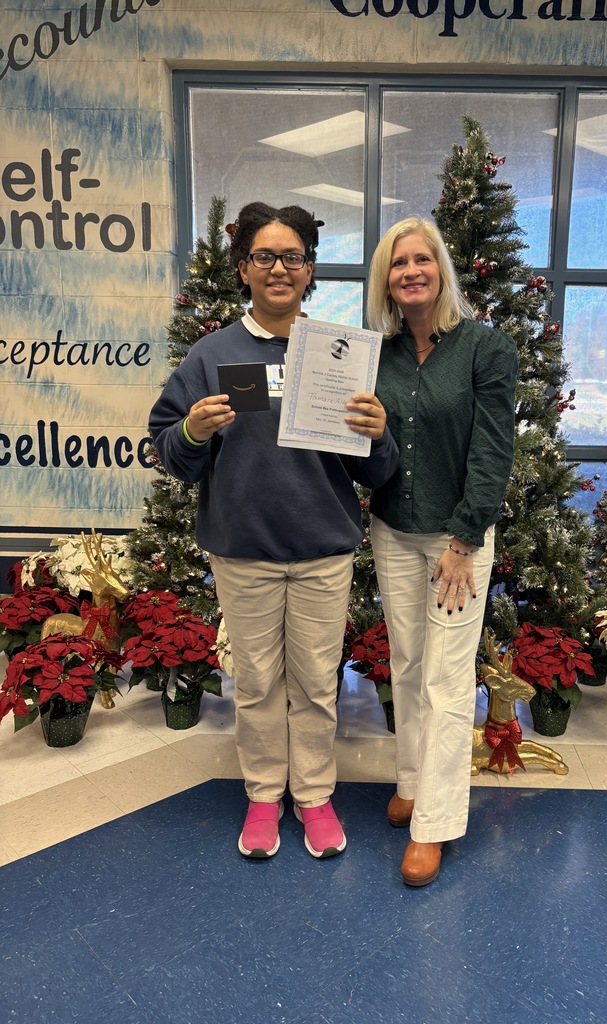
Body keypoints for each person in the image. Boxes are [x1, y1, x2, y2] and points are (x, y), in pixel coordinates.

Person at [150, 202, 398, 860]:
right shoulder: (212, 356)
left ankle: (313, 795)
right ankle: (264, 794)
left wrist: (377, 436)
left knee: (316, 684)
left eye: (293, 257)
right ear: (243, 269)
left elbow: (375, 469)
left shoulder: (339, 354)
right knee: (258, 684)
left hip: (322, 551)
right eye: (264, 256)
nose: (279, 268)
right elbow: (169, 450)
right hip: (244, 553)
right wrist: (192, 431)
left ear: (310, 270)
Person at [366, 216, 517, 887]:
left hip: (458, 541)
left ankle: (434, 821)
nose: (411, 272)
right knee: (406, 665)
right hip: (393, 530)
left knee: (448, 680)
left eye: (421, 260)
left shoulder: (485, 348)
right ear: (386, 280)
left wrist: (463, 539)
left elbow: (492, 453)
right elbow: (370, 450)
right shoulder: (379, 355)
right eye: (398, 264)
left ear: (441, 269)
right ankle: (411, 780)